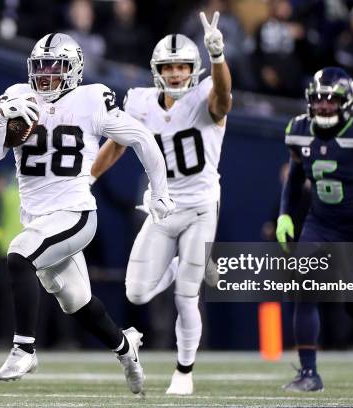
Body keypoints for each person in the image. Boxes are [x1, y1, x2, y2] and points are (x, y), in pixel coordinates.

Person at [0, 32, 175, 394]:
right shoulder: (18, 96)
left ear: (75, 69)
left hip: (75, 213)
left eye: (55, 67)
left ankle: (24, 347)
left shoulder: (91, 100)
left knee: (20, 254)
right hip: (39, 220)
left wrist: (159, 192)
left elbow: (142, 138)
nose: (46, 75)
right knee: (77, 303)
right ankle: (125, 348)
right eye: (40, 67)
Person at [91, 12, 232, 395]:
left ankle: (183, 372)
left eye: (183, 66)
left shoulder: (206, 95)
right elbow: (117, 144)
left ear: (194, 69)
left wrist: (218, 58)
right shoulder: (138, 102)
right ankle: (186, 263)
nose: (175, 74)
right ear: (157, 70)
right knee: (135, 292)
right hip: (162, 206)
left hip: (202, 204)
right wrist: (88, 178)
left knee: (186, 295)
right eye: (169, 67)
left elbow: (223, 98)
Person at [276, 67, 353, 391]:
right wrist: (285, 215)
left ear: (348, 103)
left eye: (332, 101)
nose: (324, 107)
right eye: (318, 100)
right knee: (303, 291)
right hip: (320, 223)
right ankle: (309, 374)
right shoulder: (300, 130)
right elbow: (295, 177)